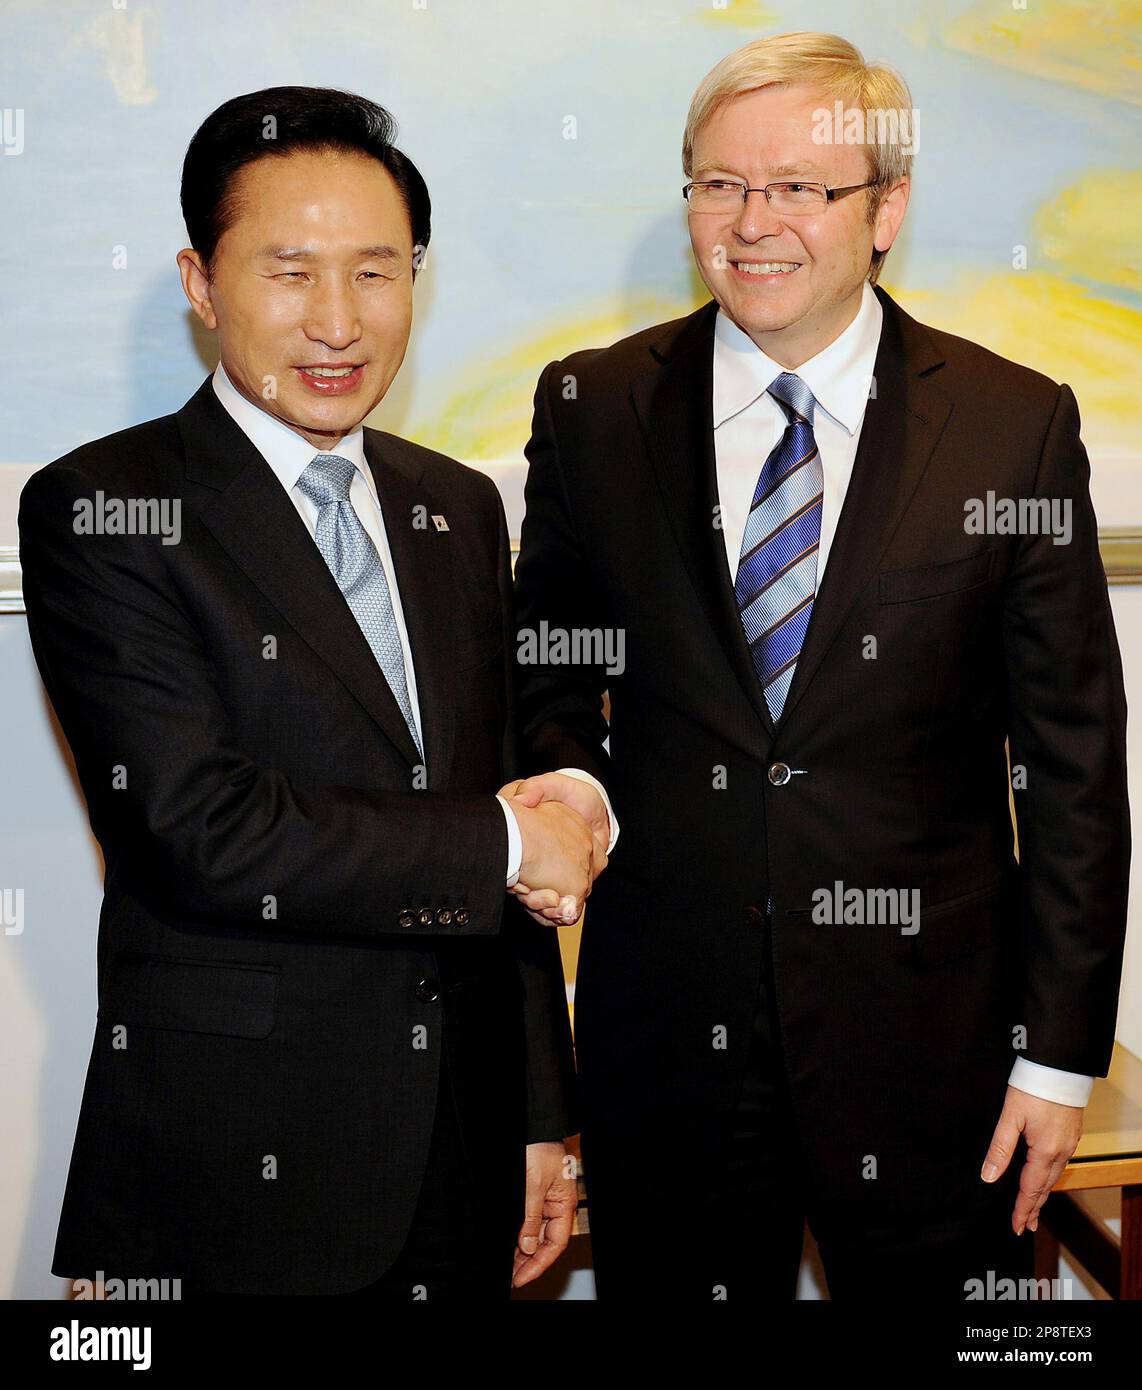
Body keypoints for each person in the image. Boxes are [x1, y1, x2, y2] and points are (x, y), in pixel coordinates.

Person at [510, 33, 1130, 1300]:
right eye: (717, 185)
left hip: (937, 1056)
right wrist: (569, 780)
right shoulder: (593, 408)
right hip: (668, 1045)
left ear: (885, 207)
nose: (751, 223)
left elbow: (1072, 764)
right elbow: (549, 665)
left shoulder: (1011, 428)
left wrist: (1055, 1058)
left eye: (798, 187)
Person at [19, 86, 611, 1299]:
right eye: (289, 272)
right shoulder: (109, 508)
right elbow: (195, 827)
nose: (338, 321)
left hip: (460, 1149)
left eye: (377, 272)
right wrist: (507, 835)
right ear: (200, 280)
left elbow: (494, 822)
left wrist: (540, 1113)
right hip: (226, 1163)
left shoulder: (453, 507)